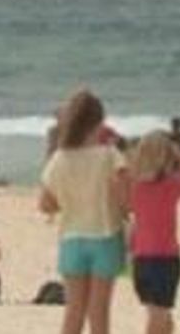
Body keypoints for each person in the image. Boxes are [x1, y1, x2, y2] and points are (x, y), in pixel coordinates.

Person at [39, 90, 128, 334]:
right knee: (99, 312)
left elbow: (46, 204)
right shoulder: (110, 156)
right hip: (105, 236)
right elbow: (124, 200)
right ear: (99, 123)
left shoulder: (59, 158)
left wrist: (70, 200)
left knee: (74, 311)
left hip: (71, 238)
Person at [129, 131, 180, 334]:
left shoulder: (134, 185)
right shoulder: (173, 183)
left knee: (160, 314)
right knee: (159, 315)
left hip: (140, 258)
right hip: (166, 257)